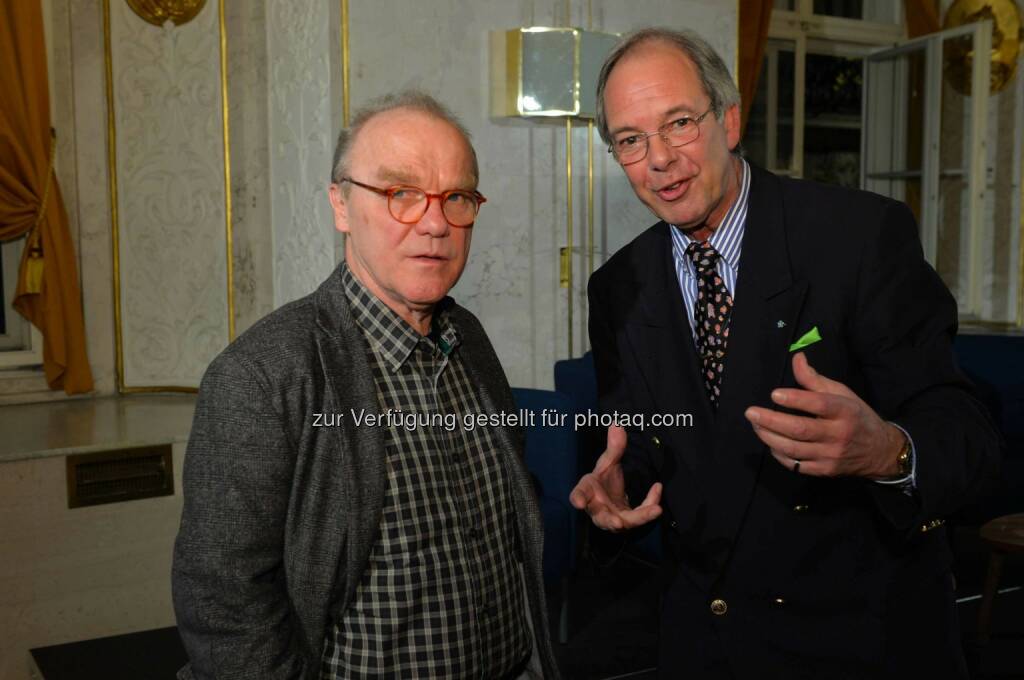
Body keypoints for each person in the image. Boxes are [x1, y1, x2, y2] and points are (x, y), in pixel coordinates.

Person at [570, 27, 1001, 679]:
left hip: (858, 640)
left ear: (731, 119)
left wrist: (887, 450)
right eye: (631, 140)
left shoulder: (858, 237)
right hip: (705, 645)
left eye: (678, 123)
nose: (658, 158)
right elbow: (652, 442)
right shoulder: (619, 288)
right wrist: (617, 493)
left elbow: (967, 435)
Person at [172, 91, 557, 680]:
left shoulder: (468, 338)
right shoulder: (262, 376)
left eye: (456, 197)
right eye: (401, 194)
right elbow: (224, 605)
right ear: (342, 205)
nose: (434, 223)